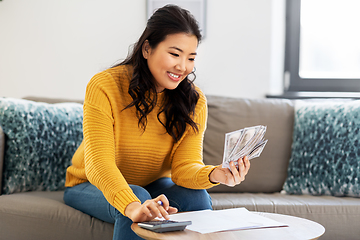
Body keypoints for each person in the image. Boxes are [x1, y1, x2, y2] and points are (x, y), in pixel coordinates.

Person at [63, 4, 250, 240]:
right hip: (89, 184)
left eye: (190, 57)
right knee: (139, 198)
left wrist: (216, 174)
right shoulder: (104, 86)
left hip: (152, 185)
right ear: (147, 49)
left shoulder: (194, 101)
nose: (183, 67)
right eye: (174, 54)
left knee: (197, 197)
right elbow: (99, 164)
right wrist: (133, 206)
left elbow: (184, 168)